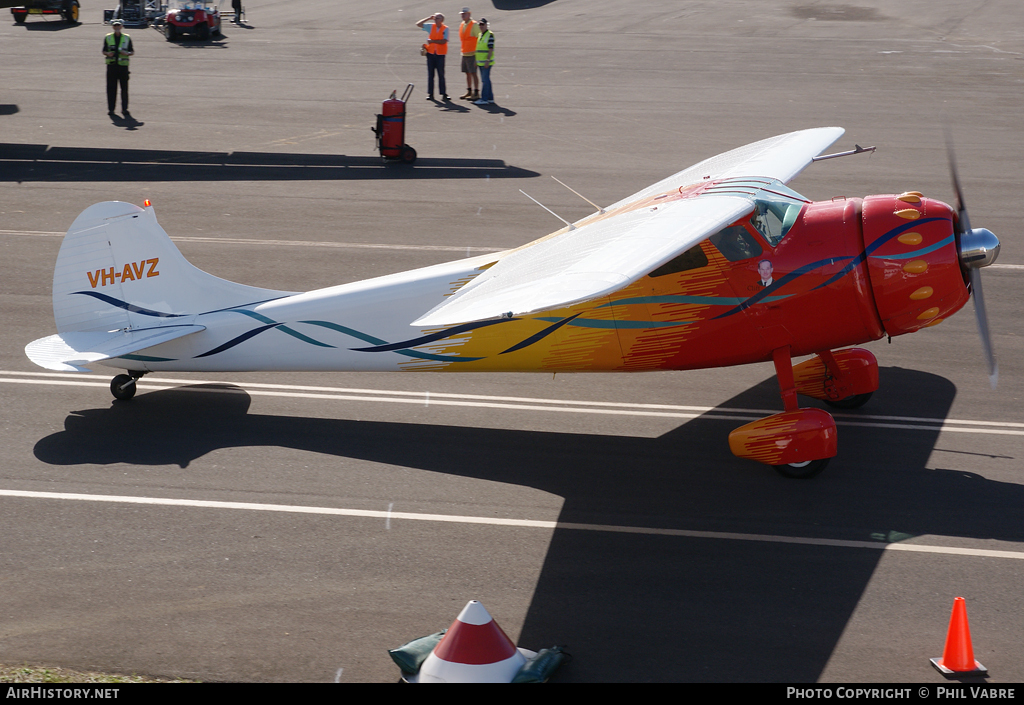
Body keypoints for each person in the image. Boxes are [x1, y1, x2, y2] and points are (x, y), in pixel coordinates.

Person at [103, 19, 134, 116]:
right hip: (112, 66)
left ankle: (124, 109)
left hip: (123, 67)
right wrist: (108, 53)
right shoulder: (108, 37)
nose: (117, 27)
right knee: (111, 89)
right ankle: (111, 109)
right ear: (113, 27)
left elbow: (132, 51)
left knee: (124, 89)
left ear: (121, 27)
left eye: (118, 26)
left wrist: (127, 53)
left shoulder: (127, 38)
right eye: (115, 26)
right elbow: (104, 51)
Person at [415, 12, 449, 100]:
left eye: (437, 18)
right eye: (435, 18)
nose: (435, 19)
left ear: (442, 20)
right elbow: (418, 24)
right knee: (431, 75)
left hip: (440, 54)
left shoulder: (445, 29)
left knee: (441, 74)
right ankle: (430, 94)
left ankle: (444, 93)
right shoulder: (431, 26)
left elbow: (444, 41)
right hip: (430, 54)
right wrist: (428, 18)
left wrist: (432, 41)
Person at [457, 7, 480, 101]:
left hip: (472, 53)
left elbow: (479, 39)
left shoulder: (474, 25)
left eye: (464, 14)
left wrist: (477, 54)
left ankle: (476, 92)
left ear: (469, 14)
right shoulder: (462, 24)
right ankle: (469, 91)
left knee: (473, 73)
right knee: (467, 73)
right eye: (462, 14)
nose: (463, 16)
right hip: (465, 52)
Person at [473, 18, 494, 105]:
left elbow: (490, 49)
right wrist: (475, 60)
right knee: (486, 80)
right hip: (480, 62)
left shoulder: (490, 35)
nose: (481, 26)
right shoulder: (480, 35)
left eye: (482, 24)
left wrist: (487, 60)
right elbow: (478, 49)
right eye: (480, 25)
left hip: (486, 62)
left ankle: (484, 98)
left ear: (486, 25)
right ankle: (490, 98)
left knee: (485, 80)